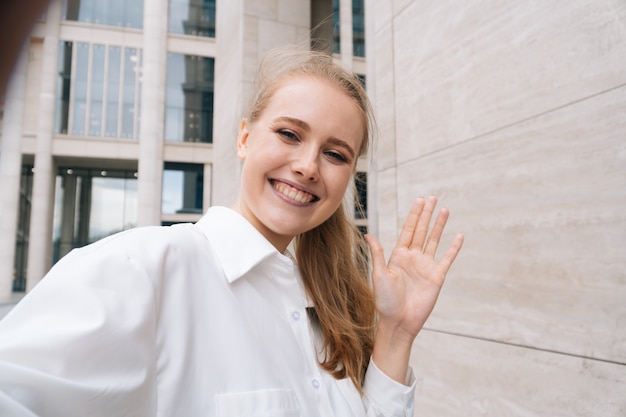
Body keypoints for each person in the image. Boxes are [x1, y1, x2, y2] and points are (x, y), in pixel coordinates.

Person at [0, 46, 464, 417]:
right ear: (244, 138)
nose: (307, 166)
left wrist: (398, 333)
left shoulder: (326, 308)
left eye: (336, 154)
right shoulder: (142, 269)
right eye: (289, 134)